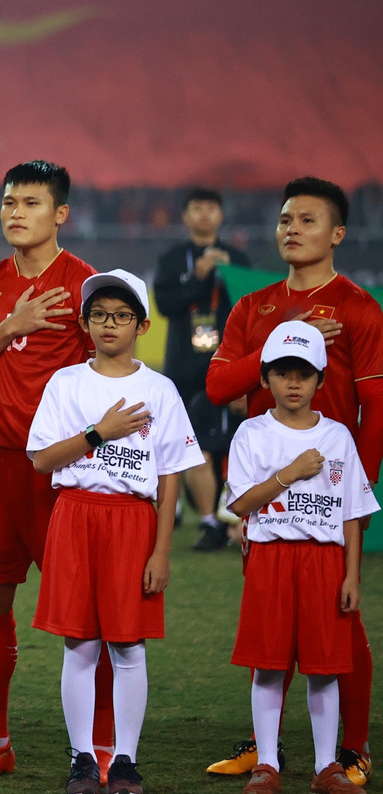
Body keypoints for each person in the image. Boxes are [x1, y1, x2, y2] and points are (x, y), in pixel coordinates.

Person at [0, 161, 119, 779]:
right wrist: (12, 325)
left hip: (65, 473)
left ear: (60, 214)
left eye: (31, 203)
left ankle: (102, 745)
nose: (15, 212)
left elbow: (112, 373)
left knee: (84, 611)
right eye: (9, 201)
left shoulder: (86, 286)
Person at [204, 176, 383, 785]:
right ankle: (267, 749)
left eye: (308, 220)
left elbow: (375, 406)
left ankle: (352, 749)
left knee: (341, 623)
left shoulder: (359, 307)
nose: (292, 229)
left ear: (337, 234)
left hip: (330, 492)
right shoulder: (253, 308)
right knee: (271, 627)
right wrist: (281, 338)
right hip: (270, 496)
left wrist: (358, 493)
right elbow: (218, 387)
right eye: (285, 219)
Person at [27, 269, 202, 794]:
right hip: (75, 514)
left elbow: (170, 476)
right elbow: (41, 459)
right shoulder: (66, 383)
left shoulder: (159, 389)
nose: (109, 324)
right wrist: (98, 433)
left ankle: (125, 760)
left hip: (132, 520)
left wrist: (162, 550)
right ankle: (82, 759)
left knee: (128, 644)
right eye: (99, 314)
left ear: (141, 325)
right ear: (85, 323)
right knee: (79, 643)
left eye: (122, 315)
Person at [227, 322, 375, 794]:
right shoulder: (251, 432)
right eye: (283, 373)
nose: (294, 383)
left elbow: (352, 512)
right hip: (270, 558)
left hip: (325, 563)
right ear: (265, 378)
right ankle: (266, 765)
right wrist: (289, 474)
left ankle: (325, 767)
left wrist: (351, 575)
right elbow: (240, 503)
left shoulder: (338, 437)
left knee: (324, 668)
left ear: (320, 380)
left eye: (304, 374)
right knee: (268, 667)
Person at [152, 187, 251, 550]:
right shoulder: (172, 259)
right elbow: (164, 304)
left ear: (221, 215)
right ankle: (192, 512)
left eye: (211, 207)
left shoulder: (237, 258)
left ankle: (225, 518)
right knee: (181, 441)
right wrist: (197, 277)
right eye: (197, 208)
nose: (205, 214)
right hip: (182, 367)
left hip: (226, 366)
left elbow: (249, 307)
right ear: (186, 216)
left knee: (226, 442)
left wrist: (229, 274)